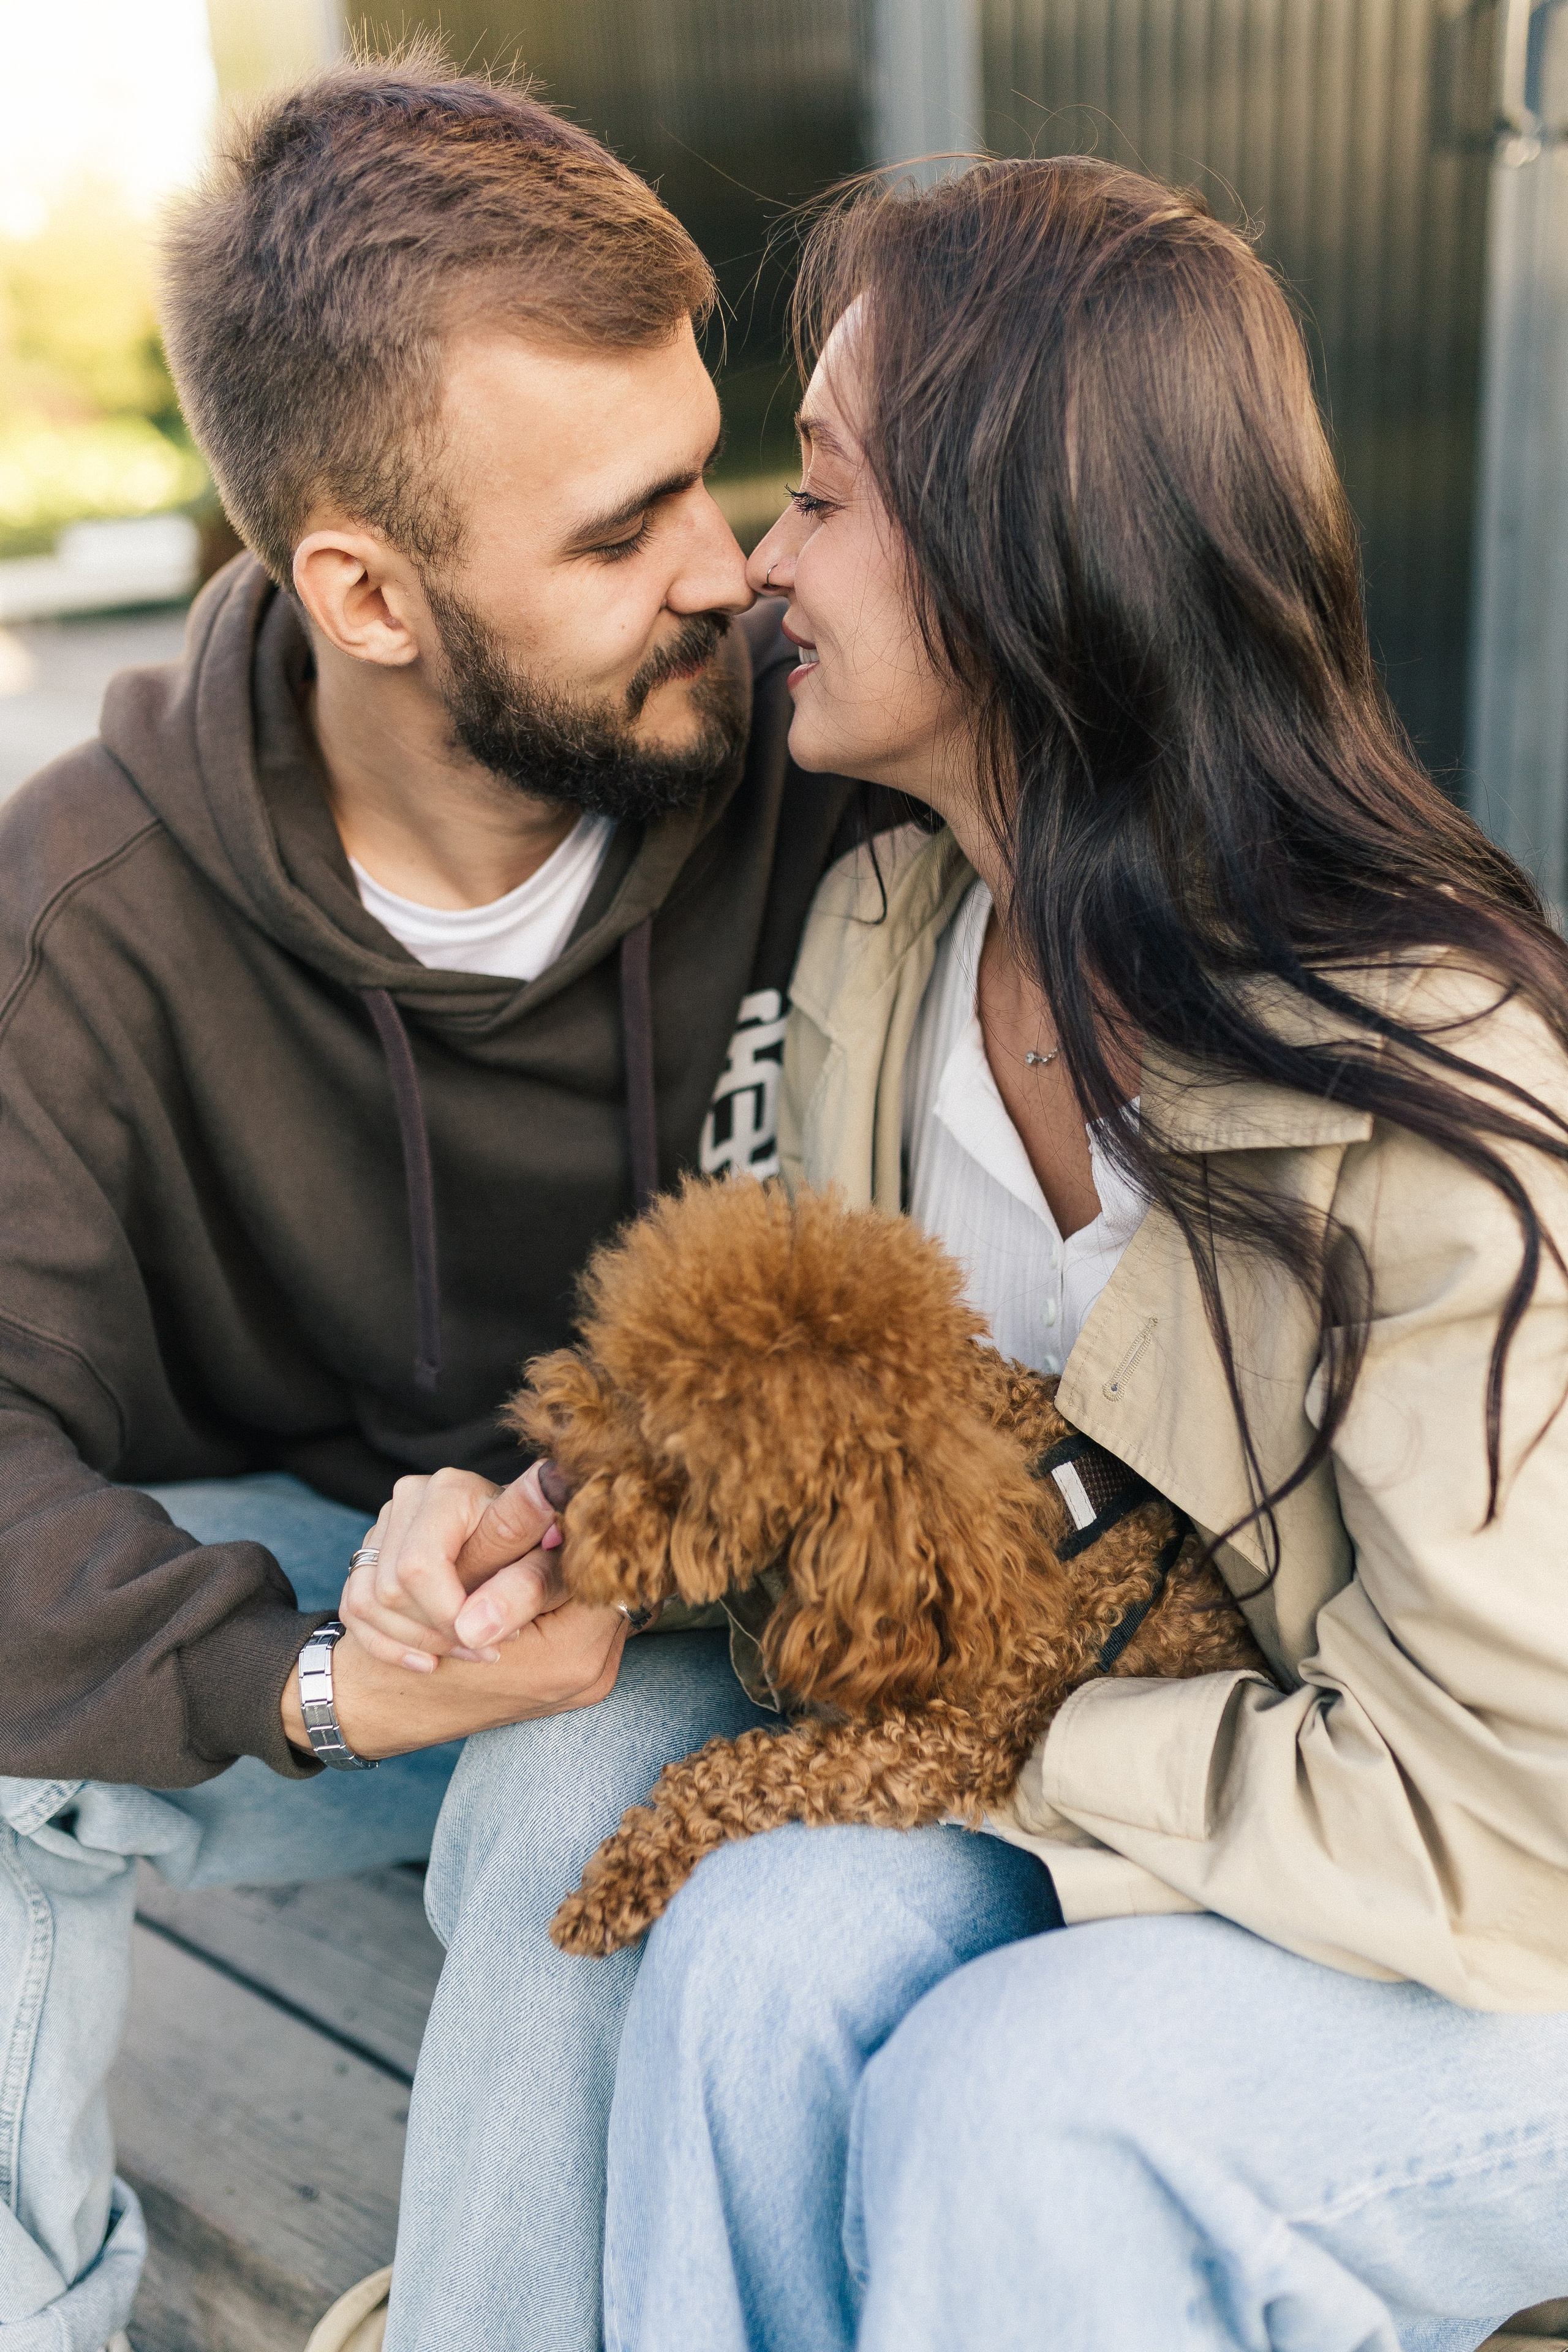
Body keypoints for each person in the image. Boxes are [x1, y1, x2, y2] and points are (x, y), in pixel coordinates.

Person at [573, 159, 1568, 2349]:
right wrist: (573, 1522)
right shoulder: (888, 937)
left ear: (1030, 561)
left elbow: (1512, 1832)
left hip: (1503, 1928)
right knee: (745, 1955)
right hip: (1197, 1799)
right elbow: (877, 1486)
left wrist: (1009, 1734)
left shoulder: (1417, 1078)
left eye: (819, 495)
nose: (758, 562)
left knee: (1021, 2109)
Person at [0, 48, 870, 2352]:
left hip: (752, 1641)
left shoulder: (844, 759)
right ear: (363, 594)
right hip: (353, 1661)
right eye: (618, 534)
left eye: (714, 467)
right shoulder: (83, 922)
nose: (729, 569)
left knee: (586, 1747)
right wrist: (308, 1676)